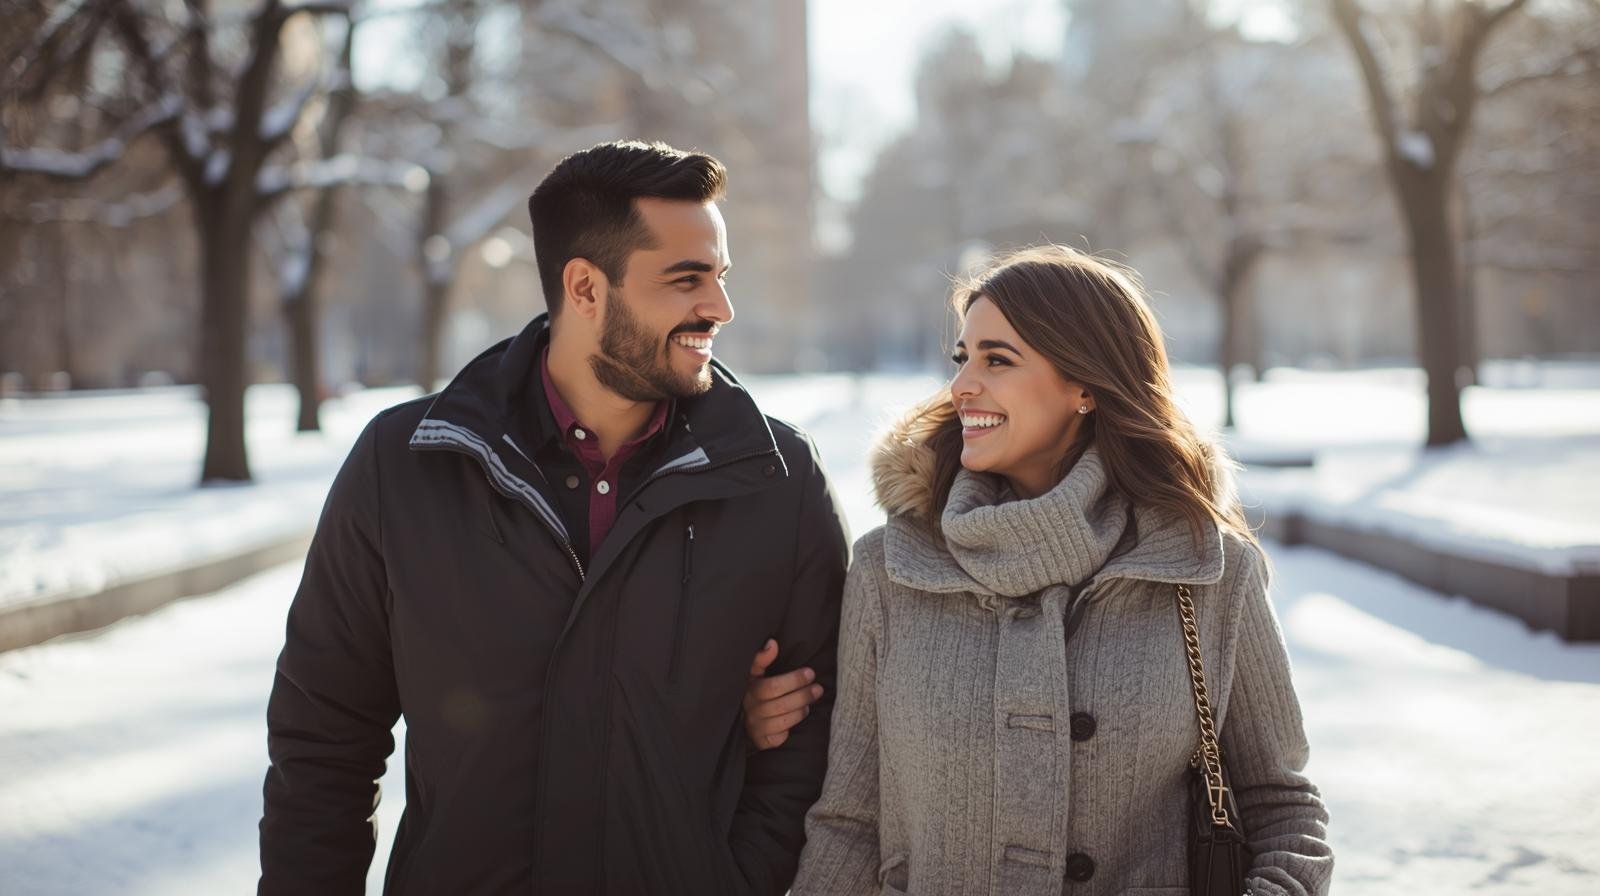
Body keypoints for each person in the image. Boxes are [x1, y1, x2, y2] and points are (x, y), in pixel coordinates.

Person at [258, 140, 848, 894]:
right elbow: (323, 741)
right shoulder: (404, 467)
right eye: (686, 279)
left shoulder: (777, 479)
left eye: (720, 276)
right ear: (585, 288)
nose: (719, 307)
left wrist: (738, 877)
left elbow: (819, 736)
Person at [791, 246, 1334, 895]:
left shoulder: (1205, 570)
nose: (962, 386)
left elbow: (1281, 808)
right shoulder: (891, 568)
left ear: (1085, 385)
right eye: (963, 359)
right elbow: (851, 821)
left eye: (997, 359)